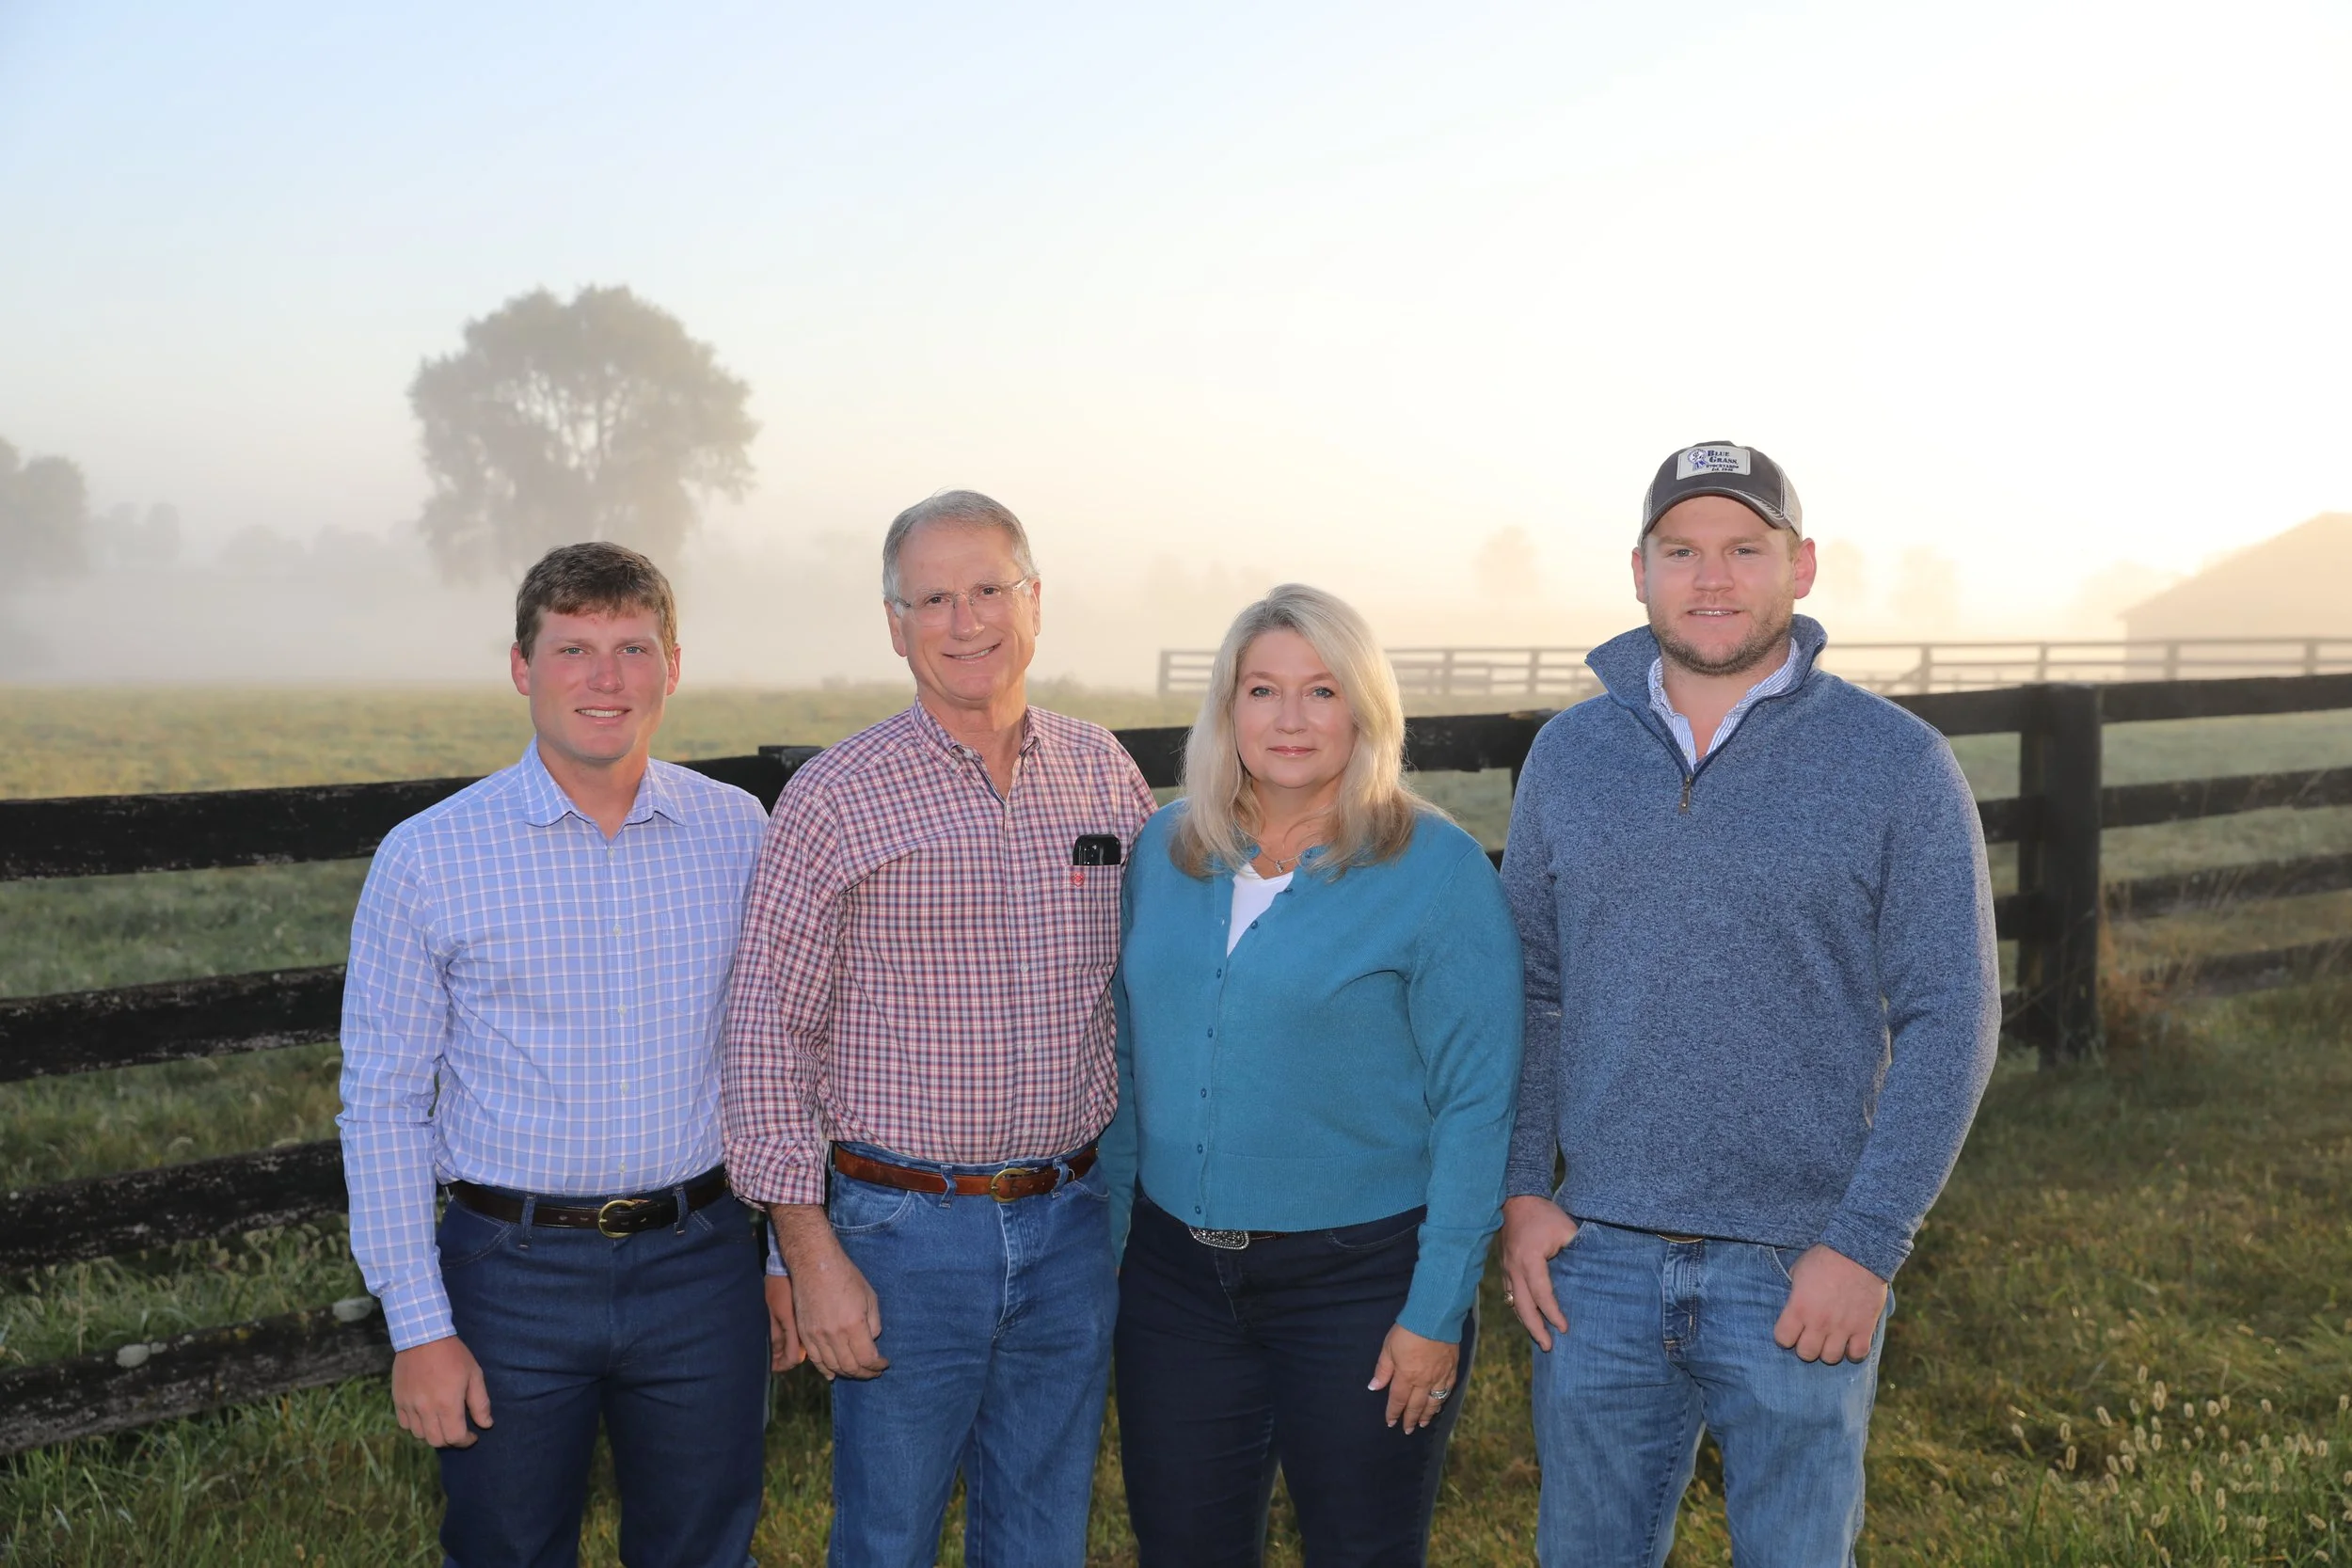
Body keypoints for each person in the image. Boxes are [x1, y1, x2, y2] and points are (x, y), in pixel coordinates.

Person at [1497, 441, 2001, 1564]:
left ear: (1801, 565)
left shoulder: (1896, 764)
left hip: (1796, 1268)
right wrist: (1524, 1188)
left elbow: (1952, 1019)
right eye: (1681, 550)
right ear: (1638, 570)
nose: (1710, 577)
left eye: (1743, 548)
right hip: (1598, 1256)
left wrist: (1863, 1247)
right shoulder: (1570, 755)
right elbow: (1529, 988)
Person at [722, 490, 1156, 1568]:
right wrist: (804, 1248)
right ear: (894, 622)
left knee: (1044, 1529)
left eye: (988, 589)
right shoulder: (835, 798)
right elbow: (767, 1035)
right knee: (886, 1534)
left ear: (1035, 600)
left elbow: (1159, 986)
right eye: (933, 598)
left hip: (1069, 1220)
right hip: (900, 1231)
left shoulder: (1103, 772)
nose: (966, 621)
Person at [338, 542, 791, 1568]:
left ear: (671, 666)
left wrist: (779, 1253)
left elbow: (779, 1054)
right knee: (505, 1545)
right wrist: (418, 1323)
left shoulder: (738, 831)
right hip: (509, 1272)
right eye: (573, 647)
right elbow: (382, 1102)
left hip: (700, 1256)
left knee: (705, 1545)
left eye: (634, 646)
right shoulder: (430, 855)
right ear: (520, 666)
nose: (605, 677)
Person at [1102, 583, 1523, 1568]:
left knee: (1360, 1548)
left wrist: (1435, 1308)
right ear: (1227, 709)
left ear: (1364, 709)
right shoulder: (1164, 850)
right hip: (1173, 1285)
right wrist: (1119, 1238)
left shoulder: (1437, 869)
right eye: (1262, 689)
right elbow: (1124, 1053)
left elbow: (1476, 1103)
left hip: (1359, 1284)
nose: (1290, 718)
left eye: (1322, 690)